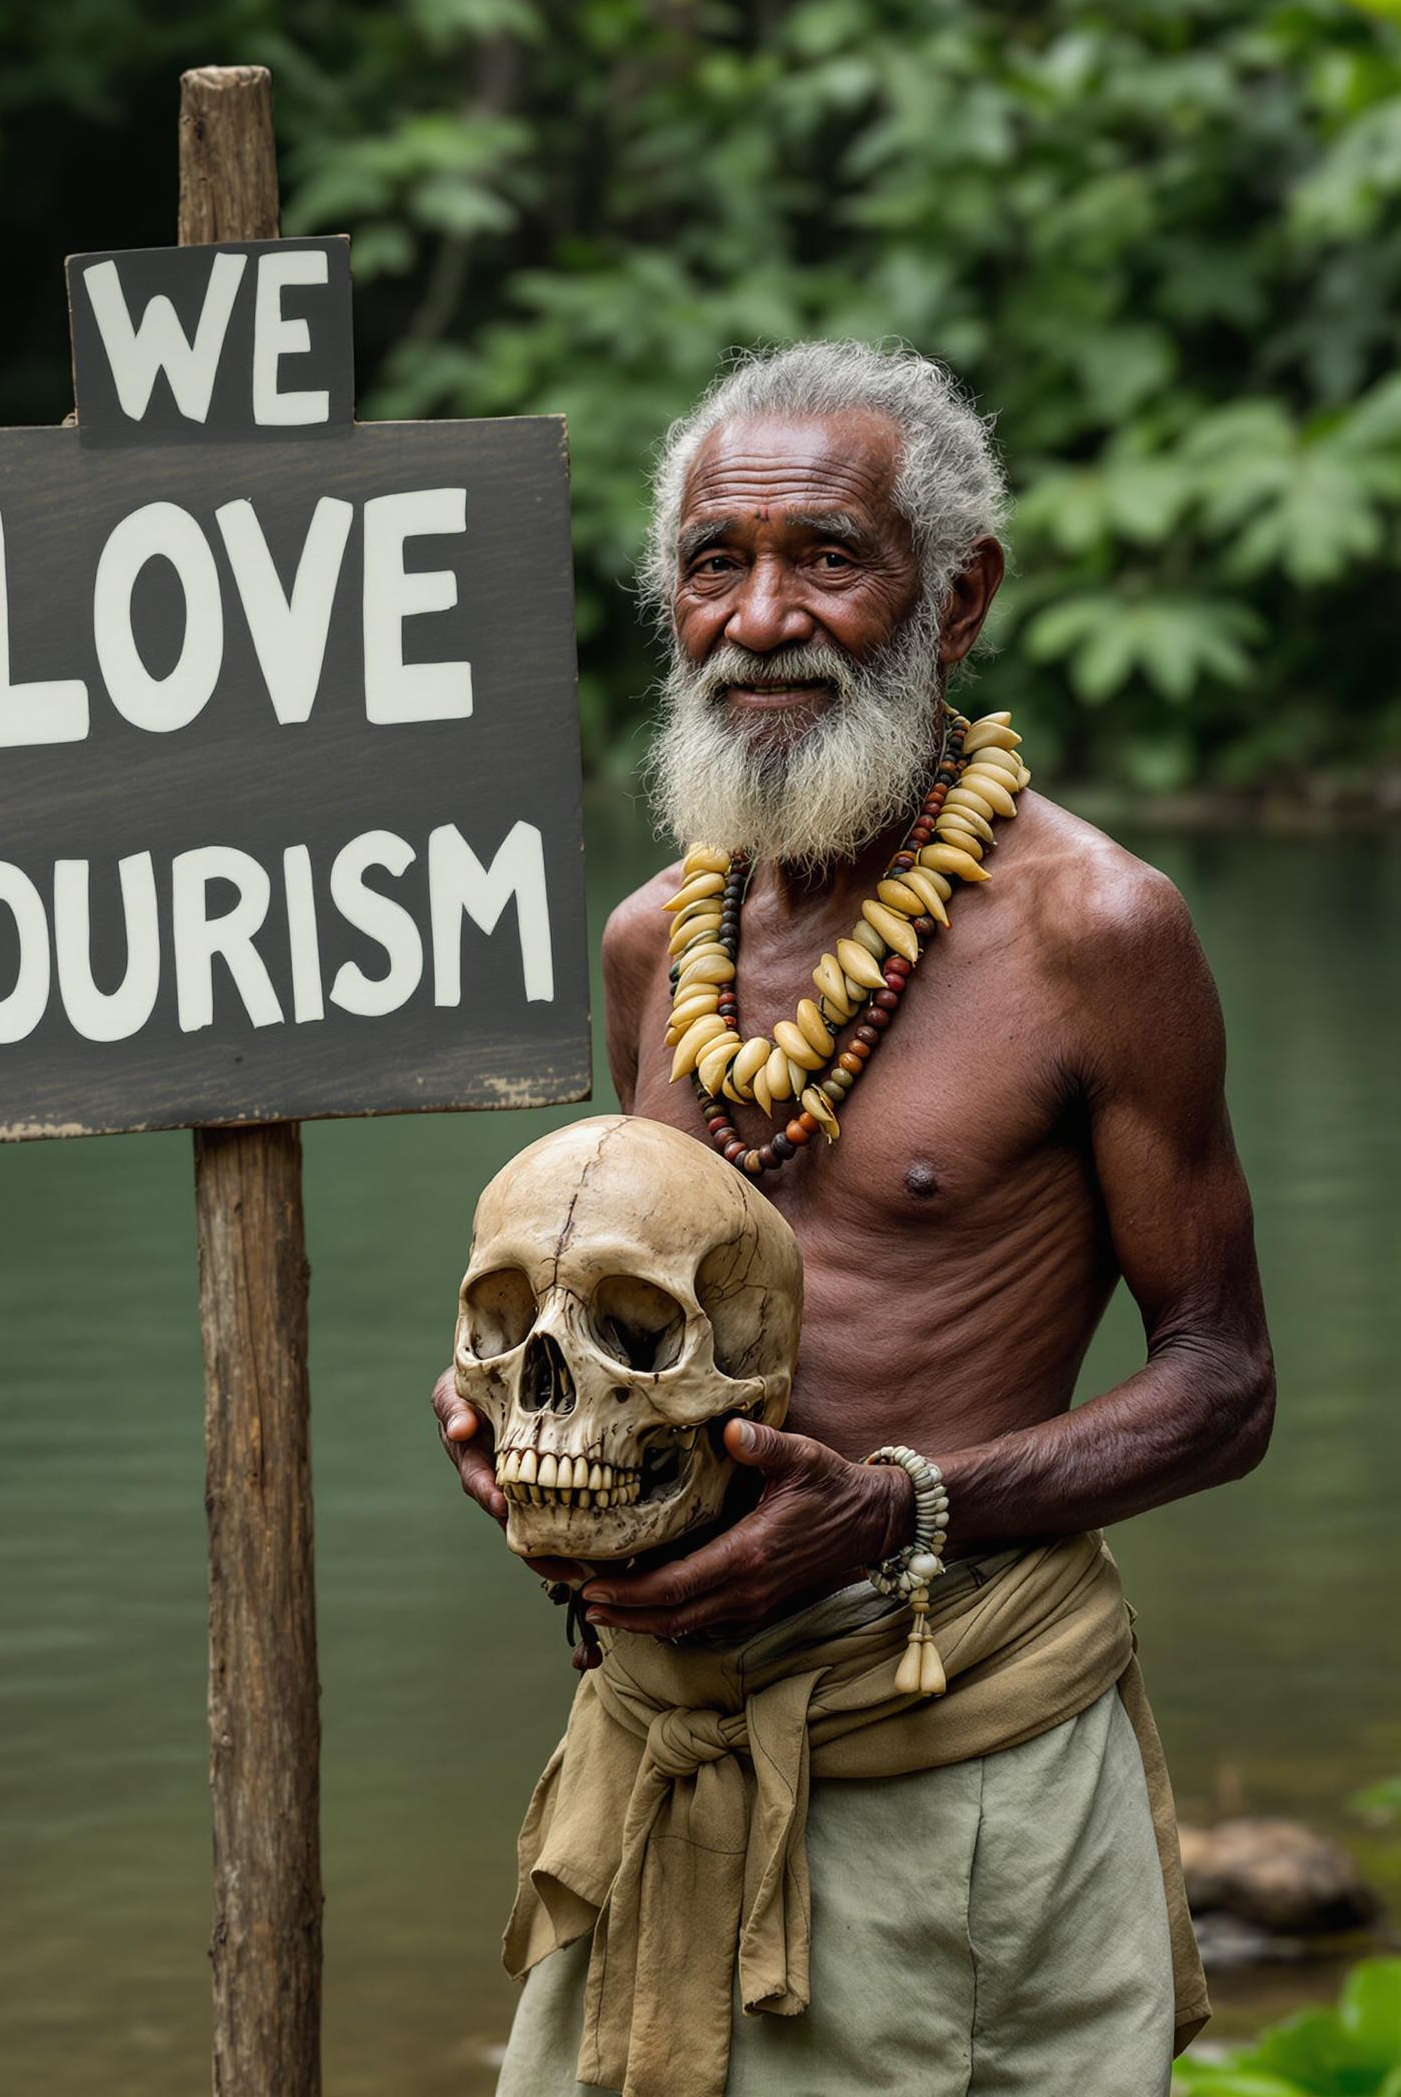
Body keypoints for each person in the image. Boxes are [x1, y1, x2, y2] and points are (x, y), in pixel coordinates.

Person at [434, 341, 1274, 2097]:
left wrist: (907, 1510)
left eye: (826, 556)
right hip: (660, 1741)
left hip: (954, 1749)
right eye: (712, 565)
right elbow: (660, 1313)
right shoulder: (663, 941)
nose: (758, 618)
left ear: (954, 597)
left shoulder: (1095, 933)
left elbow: (1222, 1385)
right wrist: (526, 1429)